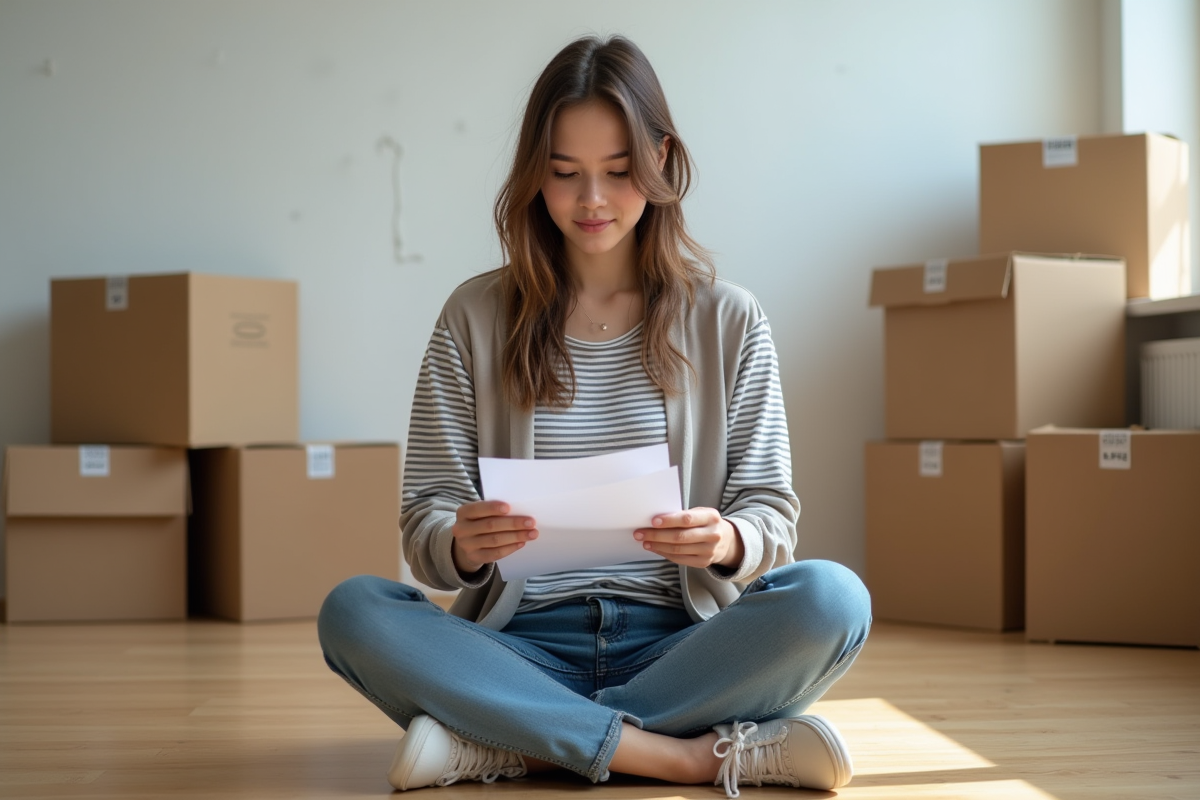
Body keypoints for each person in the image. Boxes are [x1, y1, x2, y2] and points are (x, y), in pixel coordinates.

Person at [317, 34, 871, 797]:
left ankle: (517, 743)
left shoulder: (730, 320)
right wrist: (462, 544)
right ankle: (687, 756)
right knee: (354, 610)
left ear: (660, 159)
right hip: (516, 651)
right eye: (564, 172)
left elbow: (771, 515)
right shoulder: (473, 317)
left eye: (617, 171)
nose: (592, 201)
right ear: (533, 174)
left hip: (681, 648)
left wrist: (726, 539)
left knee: (834, 599)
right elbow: (425, 525)